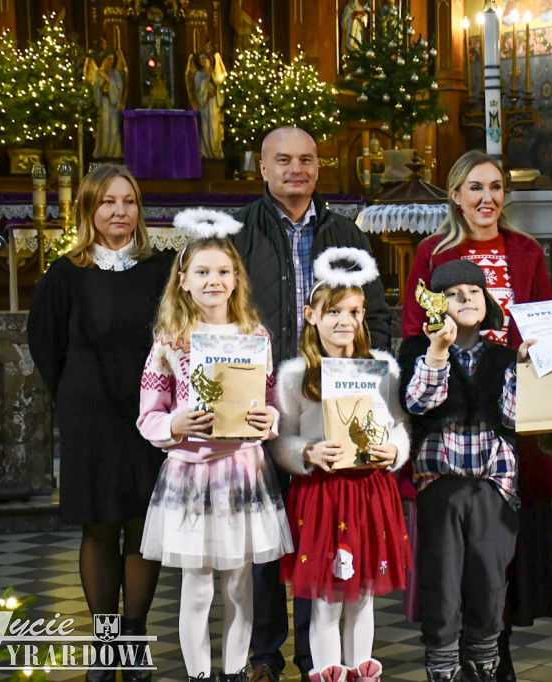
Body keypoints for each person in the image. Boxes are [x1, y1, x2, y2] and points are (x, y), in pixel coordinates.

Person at [232, 125, 391, 682]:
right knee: (268, 537)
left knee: (324, 536)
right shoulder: (239, 234)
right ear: (263, 167)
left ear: (319, 168)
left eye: (306, 160)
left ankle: (316, 658)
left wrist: (372, 388)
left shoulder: (345, 233)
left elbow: (376, 313)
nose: (295, 169)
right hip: (258, 405)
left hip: (334, 404)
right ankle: (264, 653)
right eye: (283, 160)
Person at [400, 150, 552, 679]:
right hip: (447, 421)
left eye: (495, 187)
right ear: (455, 195)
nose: (487, 198)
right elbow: (412, 331)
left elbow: (544, 319)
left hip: (507, 416)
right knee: (450, 563)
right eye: (475, 188)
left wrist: (525, 360)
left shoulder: (526, 250)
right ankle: (451, 654)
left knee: (499, 553)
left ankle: (496, 649)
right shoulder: (430, 253)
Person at [27, 164, 171, 682]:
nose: (119, 211)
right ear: (89, 208)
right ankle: (106, 643)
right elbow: (45, 343)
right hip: (91, 415)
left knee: (141, 528)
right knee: (99, 527)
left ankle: (133, 639)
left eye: (128, 201)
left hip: (149, 416)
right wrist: (75, 393)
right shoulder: (66, 273)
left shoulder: (164, 268)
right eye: (108, 202)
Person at [137, 211, 293, 682]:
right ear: (183, 281)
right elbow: (148, 415)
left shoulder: (255, 337)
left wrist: (270, 421)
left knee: (240, 586)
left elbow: (268, 404)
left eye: (223, 272)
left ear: (236, 279)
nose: (213, 280)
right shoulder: (171, 341)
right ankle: (199, 675)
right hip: (191, 473)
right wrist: (175, 423)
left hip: (242, 470)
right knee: (198, 586)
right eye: (202, 272)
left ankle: (236, 670)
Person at [274, 248, 411, 682]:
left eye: (354, 311)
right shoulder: (295, 375)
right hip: (323, 496)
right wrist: (307, 453)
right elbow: (280, 438)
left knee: (363, 595)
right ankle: (328, 674)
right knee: (328, 598)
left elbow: (399, 424)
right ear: (312, 315)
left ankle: (360, 673)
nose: (344, 321)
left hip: (370, 492)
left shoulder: (382, 369)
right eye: (333, 311)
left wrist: (395, 450)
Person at [397, 259, 532, 682]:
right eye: (453, 294)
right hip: (441, 481)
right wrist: (437, 351)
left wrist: (526, 369)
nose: (466, 298)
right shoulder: (416, 352)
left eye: (473, 291)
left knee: (490, 578)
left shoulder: (505, 355)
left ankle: (484, 657)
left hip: (494, 484)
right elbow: (418, 403)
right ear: (436, 305)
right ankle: (442, 660)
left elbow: (514, 418)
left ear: (486, 300)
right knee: (441, 579)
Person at [185, 51, 225, 159]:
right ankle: (206, 153)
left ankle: (216, 153)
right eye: (200, 59)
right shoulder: (198, 74)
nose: (202, 61)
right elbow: (198, 90)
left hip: (214, 103)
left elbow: (221, 84)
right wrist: (206, 83)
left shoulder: (215, 72)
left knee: (214, 128)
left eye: (204, 58)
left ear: (209, 60)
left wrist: (213, 79)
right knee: (205, 129)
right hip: (204, 103)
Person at [88, 51, 125, 159]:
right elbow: (95, 87)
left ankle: (114, 152)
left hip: (112, 104)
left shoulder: (115, 73)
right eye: (109, 59)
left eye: (112, 60)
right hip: (103, 103)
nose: (111, 62)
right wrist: (101, 85)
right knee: (103, 128)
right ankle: (103, 152)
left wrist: (110, 82)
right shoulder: (98, 72)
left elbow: (119, 86)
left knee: (114, 127)